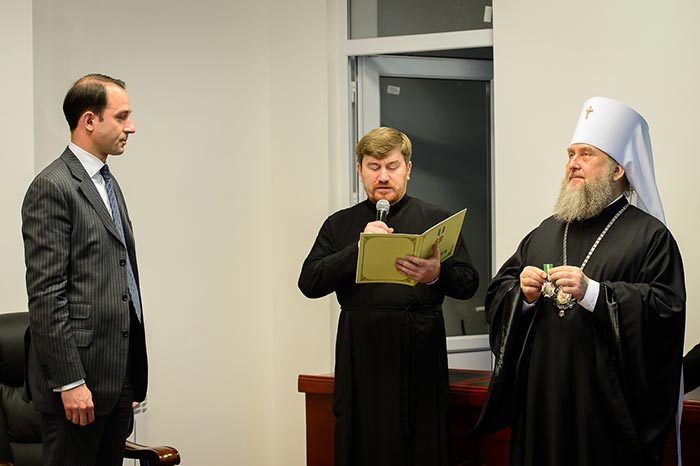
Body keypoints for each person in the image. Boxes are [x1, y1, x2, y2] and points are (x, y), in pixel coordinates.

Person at [473, 97, 685, 466]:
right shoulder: (546, 230)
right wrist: (521, 295)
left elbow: (665, 312)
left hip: (603, 410)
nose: (572, 164)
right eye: (571, 154)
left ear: (617, 170)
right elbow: (499, 291)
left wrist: (596, 294)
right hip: (542, 399)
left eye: (586, 154)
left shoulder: (650, 237)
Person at [299, 127, 479, 466]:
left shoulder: (435, 218)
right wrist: (358, 248)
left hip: (420, 355)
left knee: (422, 446)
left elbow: (468, 282)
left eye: (392, 166)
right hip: (361, 356)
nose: (383, 176)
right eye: (373, 167)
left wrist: (436, 274)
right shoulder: (339, 224)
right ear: (360, 171)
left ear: (408, 169)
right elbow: (309, 282)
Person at [22, 74, 148, 466]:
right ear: (89, 120)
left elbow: (121, 278)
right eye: (122, 116)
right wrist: (70, 381)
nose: (131, 126)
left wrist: (131, 374)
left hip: (117, 379)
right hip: (78, 383)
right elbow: (46, 295)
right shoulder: (52, 186)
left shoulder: (108, 184)